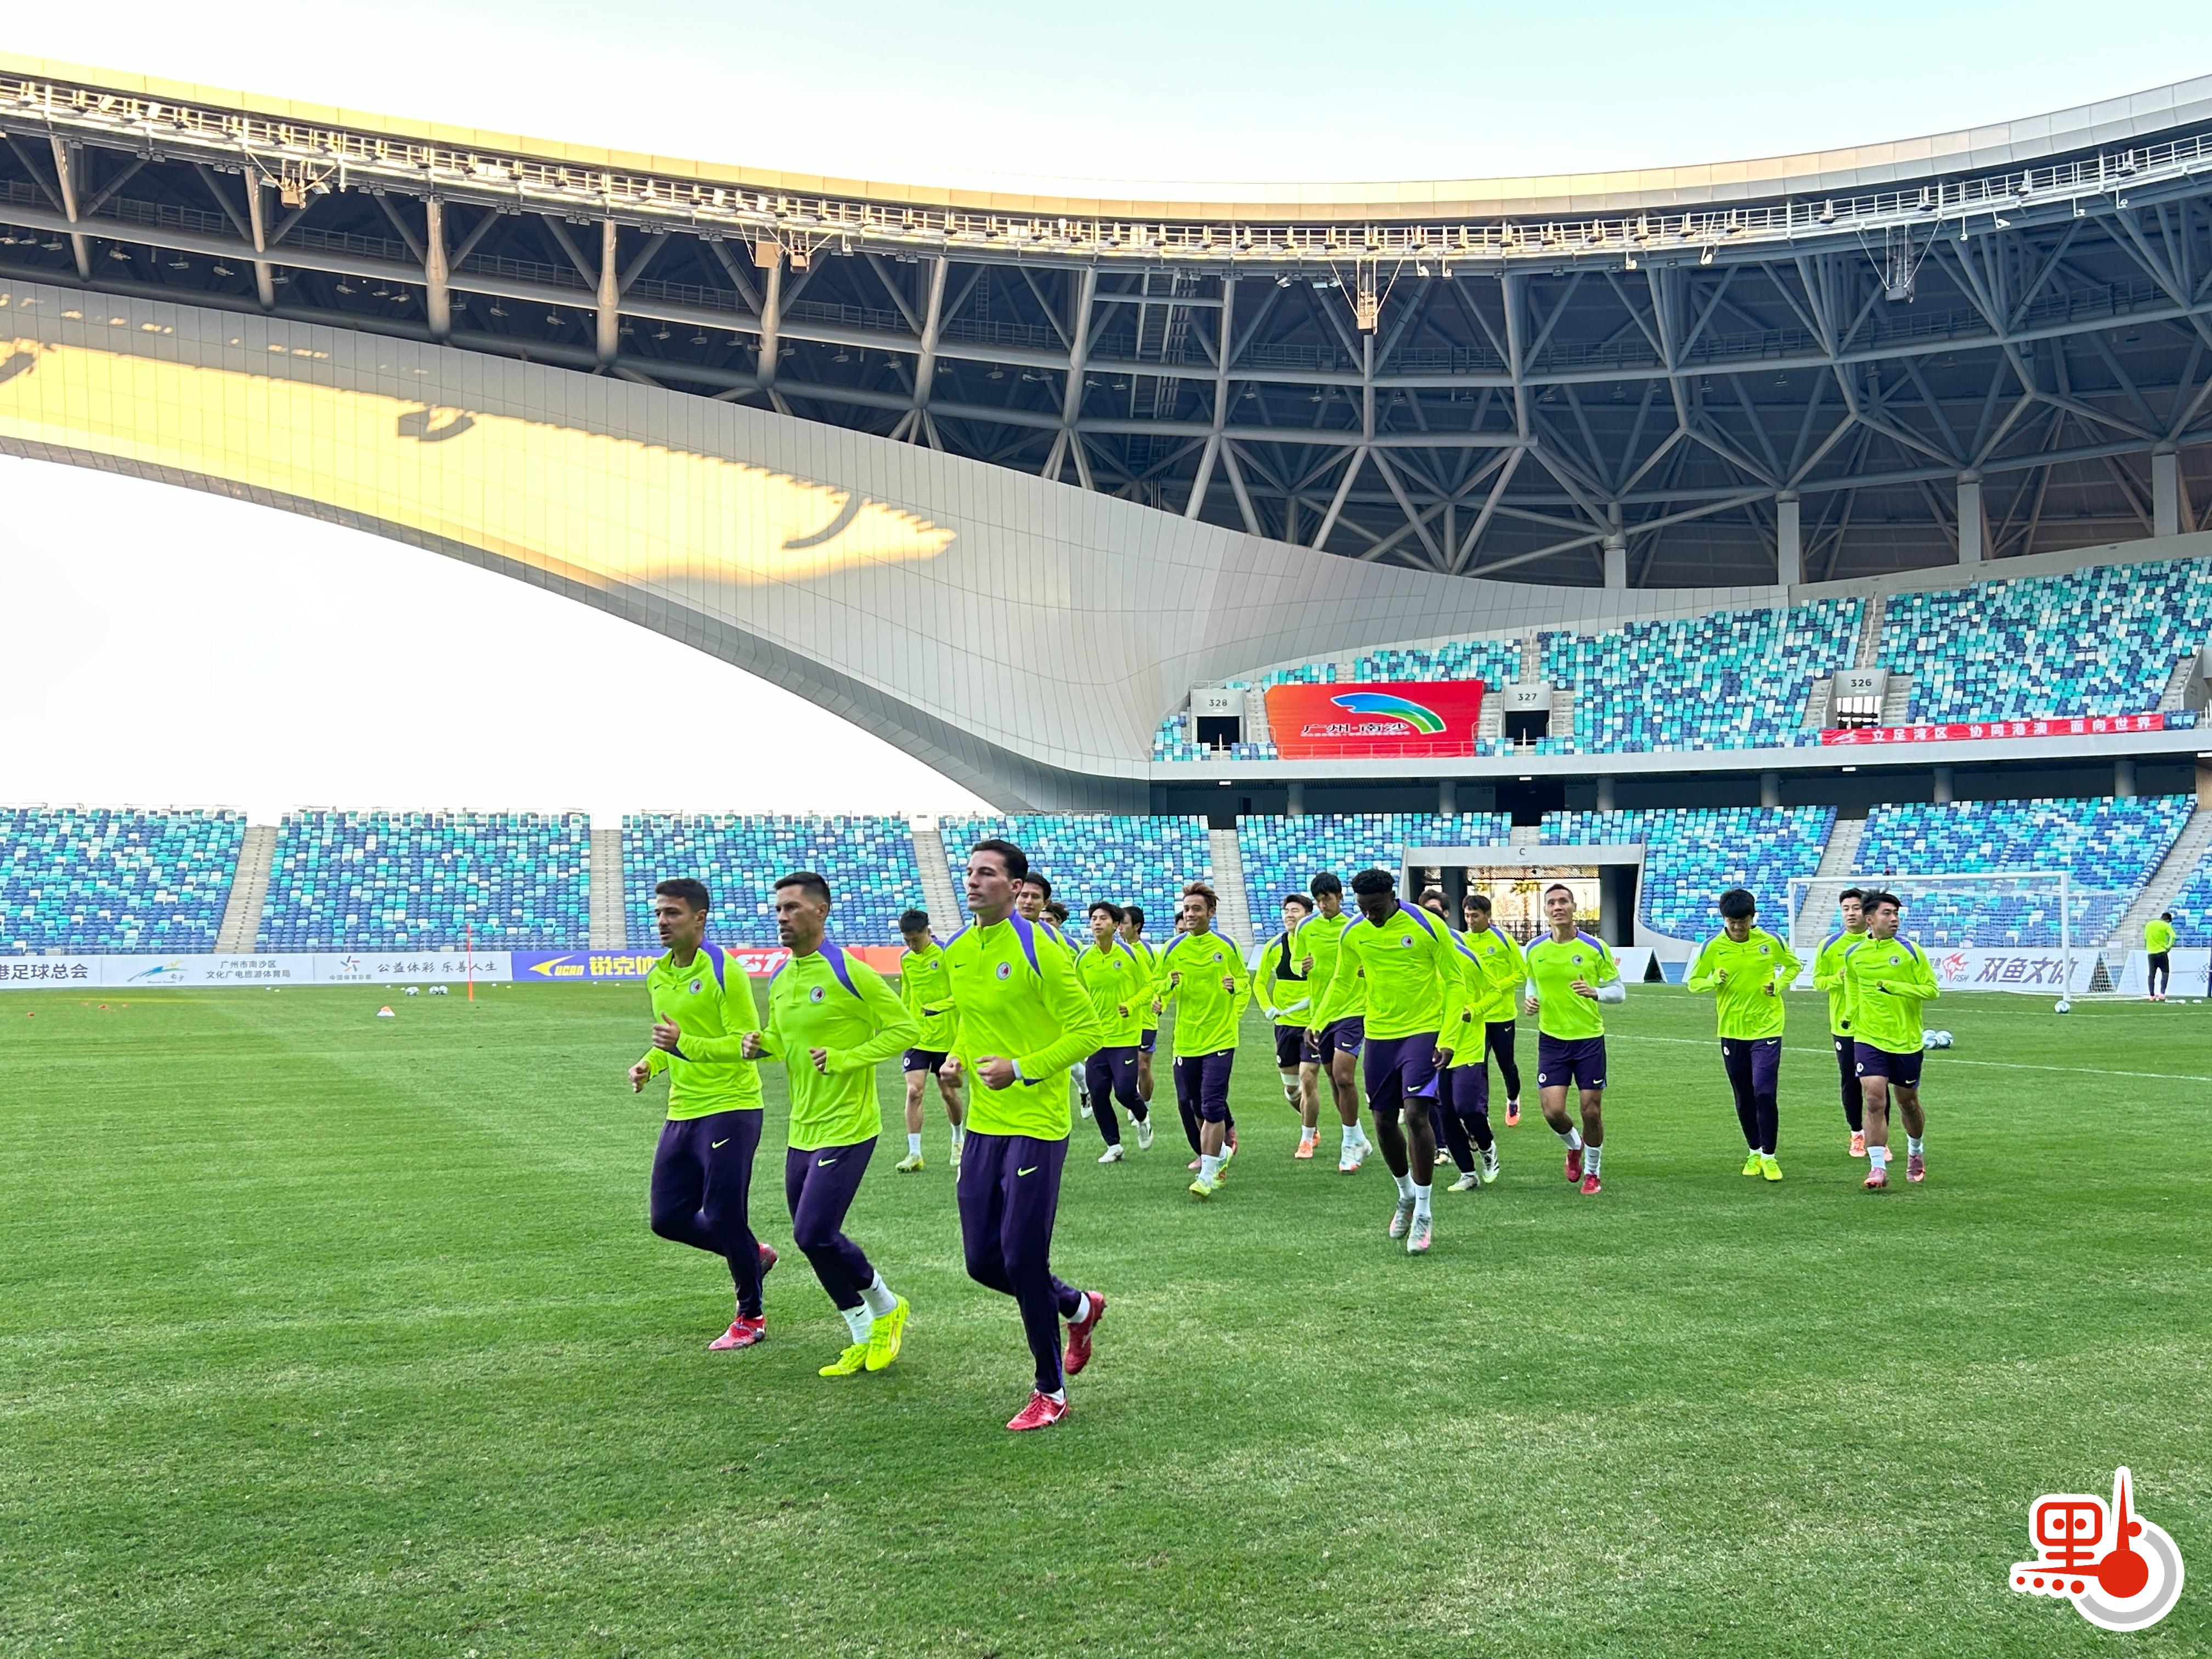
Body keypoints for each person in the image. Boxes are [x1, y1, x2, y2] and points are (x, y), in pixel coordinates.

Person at [934, 838, 1108, 1431]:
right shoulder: (958, 950)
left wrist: (1023, 1068)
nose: (973, 881)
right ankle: (1078, 1307)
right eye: (969, 872)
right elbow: (973, 1019)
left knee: (1023, 1258)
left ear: (1014, 887)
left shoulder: (1041, 949)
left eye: (987, 873)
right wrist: (957, 1057)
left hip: (1037, 1124)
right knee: (983, 1262)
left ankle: (1050, 1390)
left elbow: (1088, 1032)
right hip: (984, 1126)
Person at [736, 872, 918, 1377]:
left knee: (814, 1232)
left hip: (849, 1124)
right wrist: (760, 1045)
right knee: (809, 1238)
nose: (782, 917)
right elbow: (784, 1042)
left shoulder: (850, 972)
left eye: (792, 908)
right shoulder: (781, 978)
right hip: (802, 1127)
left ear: (821, 911)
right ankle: (861, 1334)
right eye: (778, 909)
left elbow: (906, 1028)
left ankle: (887, 1306)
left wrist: (847, 1058)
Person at [630, 877, 777, 1351]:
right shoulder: (658, 974)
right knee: (668, 1217)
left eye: (672, 913)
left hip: (732, 1106)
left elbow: (746, 1044)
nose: (662, 922)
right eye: (658, 913)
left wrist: (684, 1045)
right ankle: (752, 1254)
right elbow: (669, 1041)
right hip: (684, 1108)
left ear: (700, 918)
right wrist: (650, 1065)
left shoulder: (724, 971)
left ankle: (751, 1317)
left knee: (723, 1212)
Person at [1321, 867, 1461, 1254]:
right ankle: (1406, 1194)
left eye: (1377, 908)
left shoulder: (1427, 925)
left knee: (1415, 1114)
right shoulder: (1355, 932)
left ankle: (1425, 1213)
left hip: (1423, 1030)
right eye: (1363, 909)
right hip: (1380, 1035)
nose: (1371, 916)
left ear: (1392, 897)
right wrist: (1318, 1020)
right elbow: (1342, 980)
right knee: (1383, 1121)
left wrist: (1448, 1037)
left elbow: (1455, 981)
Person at [1686, 888, 1801, 1182]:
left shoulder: (1771, 941)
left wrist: (1778, 984)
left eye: (1743, 921)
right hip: (1732, 1030)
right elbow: (1694, 983)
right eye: (1732, 922)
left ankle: (1770, 1157)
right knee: (1744, 1094)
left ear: (1753, 917)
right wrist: (1713, 980)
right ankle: (1754, 1151)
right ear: (1724, 919)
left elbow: (1793, 966)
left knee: (1764, 1090)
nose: (1738, 927)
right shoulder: (1713, 946)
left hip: (1767, 1027)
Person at [1523, 883, 1626, 1197]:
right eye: (1552, 903)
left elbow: (1619, 992)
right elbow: (1532, 982)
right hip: (1552, 1039)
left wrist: (1596, 993)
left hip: (1588, 1039)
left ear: (1574, 907)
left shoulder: (1594, 948)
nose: (1558, 907)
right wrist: (1531, 1000)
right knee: (1552, 1112)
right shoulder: (1534, 949)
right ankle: (1574, 1145)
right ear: (1545, 910)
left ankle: (1593, 1173)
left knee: (1591, 1111)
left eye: (1563, 901)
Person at [1840, 890, 1939, 1190]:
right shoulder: (1855, 954)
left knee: (1908, 1103)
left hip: (1905, 1039)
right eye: (1887, 913)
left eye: (1896, 914)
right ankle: (1878, 1167)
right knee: (1873, 1099)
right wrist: (1850, 1015)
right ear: (1870, 919)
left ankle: (1915, 1151)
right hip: (1868, 1037)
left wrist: (1897, 987)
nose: (1894, 919)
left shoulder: (1910, 951)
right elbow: (1853, 987)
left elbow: (1932, 990)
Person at [1158, 882, 1252, 1198]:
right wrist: (1164, 991)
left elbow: (1244, 981)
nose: (1190, 914)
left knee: (1212, 1104)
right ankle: (1220, 1153)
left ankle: (1207, 1175)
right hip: (1186, 1040)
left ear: (1211, 912)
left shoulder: (1227, 946)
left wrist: (1234, 986)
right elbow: (1158, 985)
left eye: (1197, 909)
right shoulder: (1173, 948)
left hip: (1220, 1038)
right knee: (1194, 1104)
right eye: (1187, 909)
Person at [1296, 872, 1374, 1172]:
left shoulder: (1356, 926)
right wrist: (1302, 967)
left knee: (1343, 1075)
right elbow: (1295, 962)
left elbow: (1370, 960)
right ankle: (1358, 1137)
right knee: (1332, 1077)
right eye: (1317, 900)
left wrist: (1367, 970)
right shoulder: (1306, 928)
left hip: (1352, 1009)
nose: (1322, 905)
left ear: (1340, 897)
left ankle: (1349, 1145)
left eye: (1326, 899)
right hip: (1322, 1012)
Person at [1073, 901, 1153, 1162]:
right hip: (1096, 1038)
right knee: (1097, 1092)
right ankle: (1113, 1145)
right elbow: (1076, 995)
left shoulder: (1131, 955)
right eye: (1094, 918)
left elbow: (1150, 987)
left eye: (1103, 918)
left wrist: (1131, 1005)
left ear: (1116, 925)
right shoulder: (1083, 959)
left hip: (1125, 1036)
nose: (1097, 923)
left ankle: (1143, 1117)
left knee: (1124, 1091)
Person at [1438, 924, 1510, 1192]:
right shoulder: (1419, 959)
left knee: (1466, 1107)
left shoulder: (1467, 957)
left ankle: (1487, 1146)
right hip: (1434, 1045)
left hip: (1468, 1044)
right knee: (1445, 1113)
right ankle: (1467, 1174)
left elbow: (1494, 991)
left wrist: (1474, 1009)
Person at [894, 908, 966, 1173]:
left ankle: (958, 1140)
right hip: (918, 1037)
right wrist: (902, 1022)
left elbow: (963, 994)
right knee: (914, 1092)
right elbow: (907, 993)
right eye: (907, 941)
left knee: (948, 1093)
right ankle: (914, 1153)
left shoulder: (948, 953)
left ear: (928, 931)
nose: (912, 946)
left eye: (916, 939)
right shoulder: (906, 959)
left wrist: (938, 1008)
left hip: (947, 1037)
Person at [1811, 888, 1870, 1156]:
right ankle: (1857, 1133)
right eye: (1846, 909)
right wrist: (1838, 978)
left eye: (1856, 908)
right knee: (1850, 1079)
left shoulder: (1878, 942)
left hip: (1875, 1024)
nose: (1851, 913)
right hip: (1844, 1025)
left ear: (1866, 911)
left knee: (1877, 1083)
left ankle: (1880, 1138)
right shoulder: (1829, 945)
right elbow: (1817, 981)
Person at [1459, 892, 1527, 1127]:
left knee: (1506, 1064)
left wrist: (1495, 987)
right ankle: (1483, 1115)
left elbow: (1521, 972)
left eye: (1475, 916)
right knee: (1479, 1067)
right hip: (1476, 1015)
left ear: (1488, 915)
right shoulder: (1462, 941)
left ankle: (1513, 1098)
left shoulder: (1503, 940)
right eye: (1467, 916)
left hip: (1502, 1015)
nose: (1470, 920)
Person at [1254, 893, 1315, 1121]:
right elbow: (1259, 983)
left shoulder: (1317, 943)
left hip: (1312, 1025)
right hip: (1285, 1025)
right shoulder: (1274, 946)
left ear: (1308, 916)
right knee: (1292, 1089)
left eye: (1295, 911)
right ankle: (1310, 1123)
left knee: (1308, 1079)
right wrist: (1268, 1007)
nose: (1289, 915)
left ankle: (1308, 1133)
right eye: (1287, 911)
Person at [1119, 905, 1161, 1107]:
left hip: (1146, 1018)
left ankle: (1145, 1106)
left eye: (1124, 923)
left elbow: (1157, 982)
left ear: (1137, 926)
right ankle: (1135, 1102)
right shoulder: (1117, 952)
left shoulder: (1149, 953)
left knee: (1143, 1066)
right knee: (1127, 1067)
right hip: (1124, 1018)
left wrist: (1159, 1002)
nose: (1120, 928)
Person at [2146, 910, 2176, 1001]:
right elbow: (2173, 936)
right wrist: (2169, 946)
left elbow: (2146, 937)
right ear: (2168, 920)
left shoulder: (2149, 925)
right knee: (2165, 972)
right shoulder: (2166, 925)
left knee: (2152, 975)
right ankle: (2162, 994)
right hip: (2161, 952)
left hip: (2151, 953)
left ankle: (2152, 996)